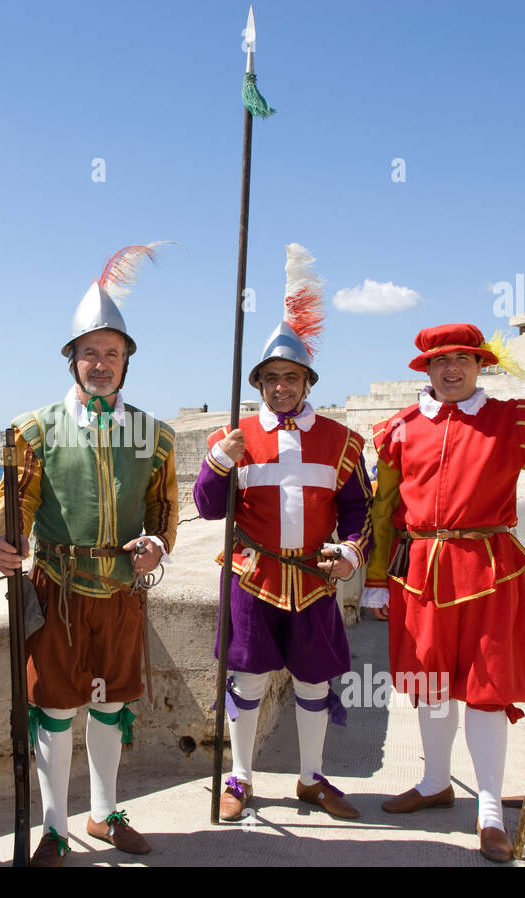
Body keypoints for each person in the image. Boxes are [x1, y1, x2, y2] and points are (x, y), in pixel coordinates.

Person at [360, 322, 525, 863]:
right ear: (425, 369)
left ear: (479, 366)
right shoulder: (398, 430)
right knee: (429, 685)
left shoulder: (513, 419)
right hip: (420, 571)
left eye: (463, 360)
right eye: (441, 361)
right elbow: (384, 514)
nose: (452, 369)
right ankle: (433, 783)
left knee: (486, 690)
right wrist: (376, 583)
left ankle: (490, 808)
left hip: (490, 573)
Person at [0, 243, 178, 866]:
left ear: (126, 362)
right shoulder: (34, 429)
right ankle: (54, 825)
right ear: (72, 360)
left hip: (122, 591)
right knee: (53, 707)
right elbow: (15, 509)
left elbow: (163, 509)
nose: (101, 363)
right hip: (57, 588)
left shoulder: (155, 435)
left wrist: (156, 544)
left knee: (109, 704)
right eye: (90, 353)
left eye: (112, 353)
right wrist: (7, 543)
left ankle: (103, 813)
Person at [193, 243, 371, 822]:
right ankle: (240, 780)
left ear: (306, 380)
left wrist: (348, 549)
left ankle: (311, 778)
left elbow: (357, 507)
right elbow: (208, 509)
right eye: (270, 378)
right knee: (246, 678)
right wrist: (218, 461)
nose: (280, 387)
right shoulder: (236, 434)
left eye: (290, 377)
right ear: (260, 383)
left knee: (314, 682)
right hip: (255, 575)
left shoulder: (342, 440)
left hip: (315, 579)